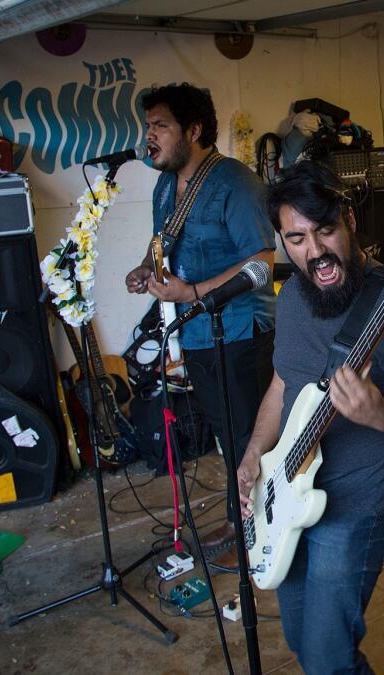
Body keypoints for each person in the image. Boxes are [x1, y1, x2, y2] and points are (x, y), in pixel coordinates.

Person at [237, 161, 384, 673]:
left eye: (324, 231)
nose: (314, 253)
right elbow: (282, 384)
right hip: (284, 491)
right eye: (296, 239)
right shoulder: (289, 298)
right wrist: (253, 455)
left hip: (355, 508)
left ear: (349, 220)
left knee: (328, 658)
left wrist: (382, 415)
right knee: (298, 637)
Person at [124, 83, 275, 553]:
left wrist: (190, 291)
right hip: (196, 333)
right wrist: (146, 268)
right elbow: (163, 245)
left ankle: (265, 528)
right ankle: (241, 520)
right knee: (227, 436)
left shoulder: (235, 182)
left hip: (242, 333)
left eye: (160, 126)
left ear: (192, 130)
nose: (150, 136)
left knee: (251, 438)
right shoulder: (165, 186)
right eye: (147, 126)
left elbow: (262, 263)